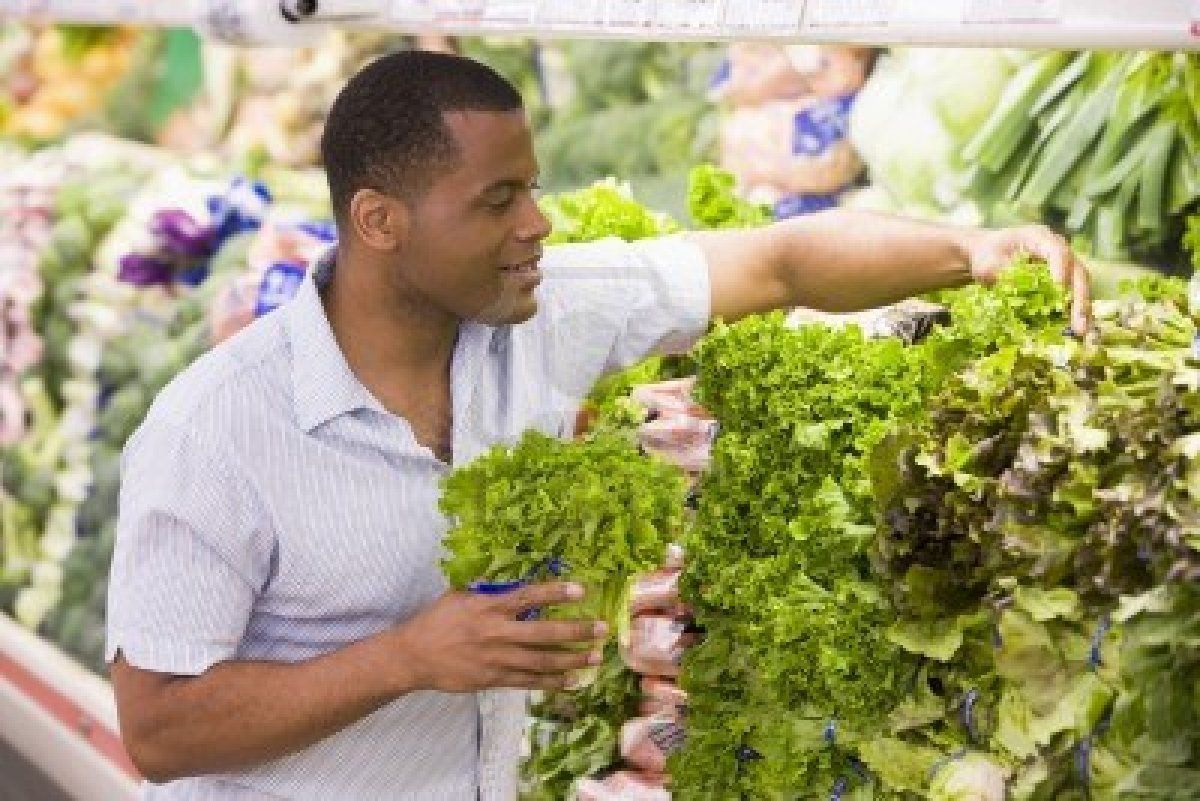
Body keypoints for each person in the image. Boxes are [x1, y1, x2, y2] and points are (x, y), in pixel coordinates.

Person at [106, 50, 1089, 800]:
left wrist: (972, 248)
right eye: (499, 199)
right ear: (379, 221)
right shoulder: (214, 429)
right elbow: (158, 728)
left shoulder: (541, 315)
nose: (537, 222)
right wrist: (405, 658)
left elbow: (780, 263)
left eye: (530, 186)